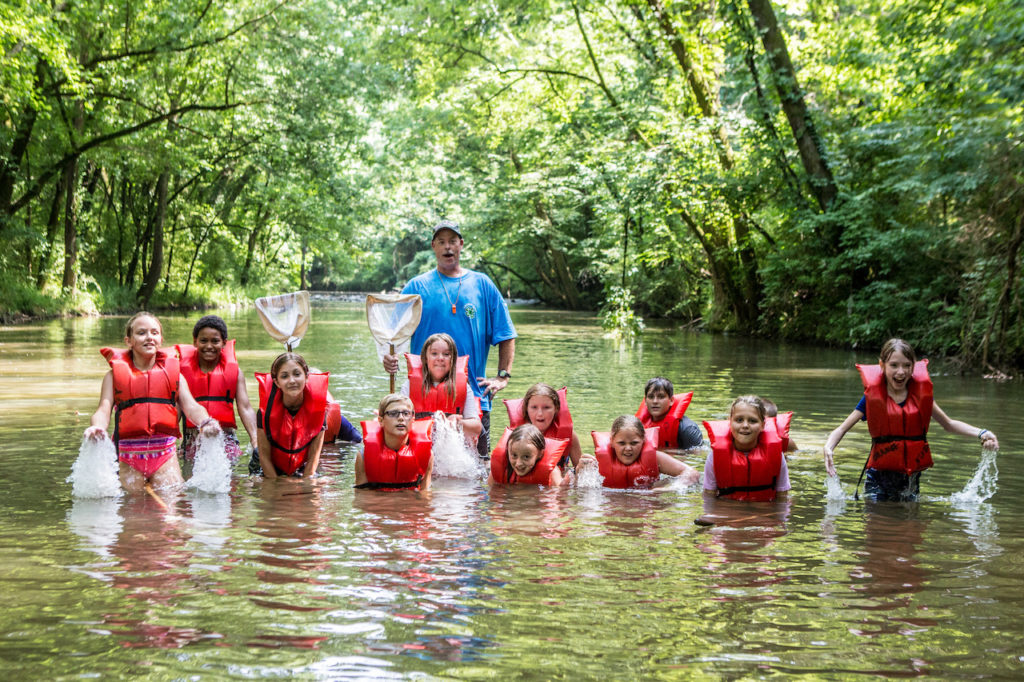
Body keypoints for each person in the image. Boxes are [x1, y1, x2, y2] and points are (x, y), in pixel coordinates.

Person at [382, 220, 517, 456]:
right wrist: (388, 359)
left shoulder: (482, 285)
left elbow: (506, 334)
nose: (448, 247)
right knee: (420, 475)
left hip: (473, 400)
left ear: (461, 244)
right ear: (434, 246)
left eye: (453, 241)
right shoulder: (416, 286)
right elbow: (394, 337)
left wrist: (502, 376)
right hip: (421, 401)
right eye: (442, 242)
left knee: (476, 476)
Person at [823, 338, 999, 501]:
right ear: (882, 365)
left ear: (913, 367)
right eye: (894, 365)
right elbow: (841, 429)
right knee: (879, 527)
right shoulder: (872, 398)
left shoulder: (920, 397)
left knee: (910, 529)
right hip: (879, 478)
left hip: (911, 479)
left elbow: (949, 424)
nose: (901, 372)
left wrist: (982, 433)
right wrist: (829, 447)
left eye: (907, 365)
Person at [84, 312, 221, 492]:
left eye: (154, 333)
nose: (149, 337)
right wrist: (97, 429)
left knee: (170, 512)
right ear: (129, 341)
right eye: (141, 333)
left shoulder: (175, 376)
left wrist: (206, 422)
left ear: (161, 339)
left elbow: (192, 407)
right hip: (128, 458)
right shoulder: (113, 377)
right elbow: (103, 410)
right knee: (132, 513)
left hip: (164, 457)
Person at [175, 315, 258, 465]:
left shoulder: (235, 373)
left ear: (224, 343)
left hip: (226, 439)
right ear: (195, 341)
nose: (209, 346)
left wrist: (256, 441)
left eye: (215, 341)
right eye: (203, 341)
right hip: (192, 439)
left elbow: (245, 408)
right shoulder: (180, 374)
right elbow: (177, 411)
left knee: (229, 483)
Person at [253, 352, 327, 479]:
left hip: (301, 464)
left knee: (314, 491)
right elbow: (264, 457)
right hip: (267, 465)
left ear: (307, 377)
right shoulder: (264, 413)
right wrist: (276, 485)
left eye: (297, 374)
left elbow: (314, 456)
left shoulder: (319, 410)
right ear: (276, 382)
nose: (292, 380)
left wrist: (306, 484)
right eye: (284, 376)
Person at [401, 332, 483, 446]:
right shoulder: (409, 385)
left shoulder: (464, 388)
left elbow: (477, 427)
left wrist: (459, 422)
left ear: (453, 359)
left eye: (446, 354)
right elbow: (400, 419)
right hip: (419, 446)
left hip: (452, 449)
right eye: (434, 353)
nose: (440, 358)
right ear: (425, 358)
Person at [703, 395, 790, 501]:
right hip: (728, 510)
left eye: (752, 421)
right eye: (739, 420)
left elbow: (783, 499)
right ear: (730, 422)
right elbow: (709, 498)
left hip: (763, 511)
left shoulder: (776, 456)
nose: (745, 425)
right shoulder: (714, 457)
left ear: (762, 425)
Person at [580, 415, 700, 489]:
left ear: (643, 441)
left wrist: (667, 488)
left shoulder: (656, 458)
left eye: (634, 443)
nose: (628, 448)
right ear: (611, 441)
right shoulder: (597, 462)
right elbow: (580, 490)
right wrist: (580, 471)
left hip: (648, 503)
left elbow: (692, 473)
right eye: (621, 443)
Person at [355, 394, 434, 491]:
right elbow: (362, 497)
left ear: (413, 420)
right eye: (393, 413)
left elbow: (425, 496)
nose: (401, 418)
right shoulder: (364, 457)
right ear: (381, 420)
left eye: (406, 413)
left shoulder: (427, 455)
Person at [504, 383, 582, 467]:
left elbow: (580, 472)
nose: (540, 414)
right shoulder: (515, 436)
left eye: (546, 407)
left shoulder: (569, 435)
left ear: (556, 409)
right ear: (526, 409)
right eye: (534, 407)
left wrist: (585, 465)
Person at [488, 424, 570, 486]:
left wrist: (563, 486)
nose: (518, 463)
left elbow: (555, 502)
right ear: (508, 451)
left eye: (526, 457)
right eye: (514, 455)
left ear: (540, 454)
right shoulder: (499, 469)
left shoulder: (552, 474)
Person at [635, 377, 703, 450]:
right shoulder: (637, 426)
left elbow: (696, 455)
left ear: (671, 400)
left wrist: (665, 453)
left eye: (661, 397)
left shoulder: (687, 428)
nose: (655, 401)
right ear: (645, 401)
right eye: (651, 397)